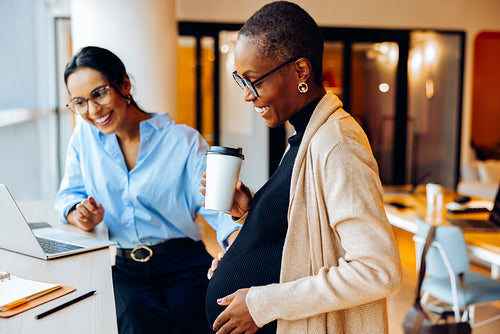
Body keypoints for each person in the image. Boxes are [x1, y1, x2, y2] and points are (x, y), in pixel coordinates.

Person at [204, 2, 403, 333]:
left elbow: (377, 269)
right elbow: (303, 235)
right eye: (241, 81)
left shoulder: (337, 143)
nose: (247, 96)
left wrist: (261, 304)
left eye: (254, 81)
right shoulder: (306, 135)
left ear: (300, 71)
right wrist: (250, 221)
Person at [55, 46, 241, 334]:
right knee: (134, 316)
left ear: (124, 85)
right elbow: (68, 195)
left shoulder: (184, 141)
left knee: (193, 314)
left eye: (99, 94)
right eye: (79, 102)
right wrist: (78, 214)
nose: (92, 111)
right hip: (126, 267)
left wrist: (238, 243)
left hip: (183, 262)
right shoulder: (83, 139)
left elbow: (218, 205)